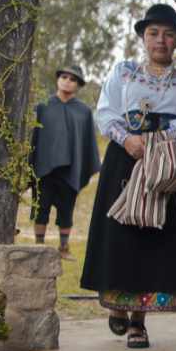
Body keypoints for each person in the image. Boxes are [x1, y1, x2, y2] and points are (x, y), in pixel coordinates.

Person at [80, 4, 176, 349]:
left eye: (168, 34)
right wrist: (128, 140)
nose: (160, 40)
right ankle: (119, 306)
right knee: (125, 236)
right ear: (142, 37)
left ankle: (139, 321)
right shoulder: (123, 73)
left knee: (155, 236)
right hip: (127, 157)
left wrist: (163, 143)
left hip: (168, 162)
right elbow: (106, 111)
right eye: (153, 33)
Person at [30, 65, 101, 260]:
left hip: (71, 170)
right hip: (44, 168)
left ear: (78, 85)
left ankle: (63, 248)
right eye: (64, 77)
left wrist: (84, 167)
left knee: (66, 210)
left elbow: (87, 142)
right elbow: (34, 137)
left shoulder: (84, 111)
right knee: (41, 208)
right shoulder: (43, 106)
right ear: (57, 79)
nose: (67, 81)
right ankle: (39, 247)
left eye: (72, 79)